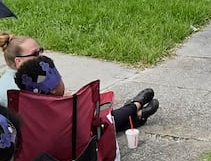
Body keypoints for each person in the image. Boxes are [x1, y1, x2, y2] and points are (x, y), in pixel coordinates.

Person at [16, 55, 158, 132]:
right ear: (53, 89)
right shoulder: (67, 108)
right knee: (105, 119)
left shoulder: (26, 113)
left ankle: (136, 117)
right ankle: (134, 107)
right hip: (83, 145)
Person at [0, 31, 44, 104]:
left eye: (40, 51)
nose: (41, 56)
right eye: (35, 54)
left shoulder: (41, 74)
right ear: (18, 61)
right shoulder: (1, 94)